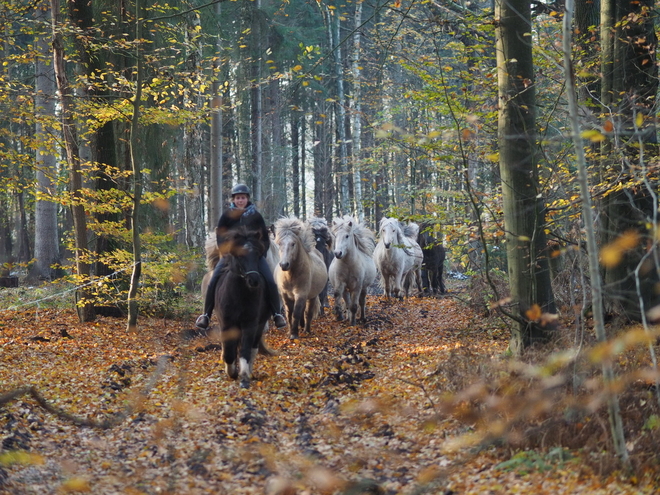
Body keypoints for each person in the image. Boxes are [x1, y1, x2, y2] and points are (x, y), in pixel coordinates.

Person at [195, 184, 287, 330]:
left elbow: (264, 238)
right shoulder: (226, 216)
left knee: (270, 280)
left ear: (247, 199)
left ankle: (276, 314)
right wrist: (225, 252)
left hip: (253, 256)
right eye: (238, 198)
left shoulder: (255, 216)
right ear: (234, 199)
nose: (240, 200)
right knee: (214, 280)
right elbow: (220, 236)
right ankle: (206, 315)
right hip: (231, 256)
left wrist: (259, 253)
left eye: (243, 198)